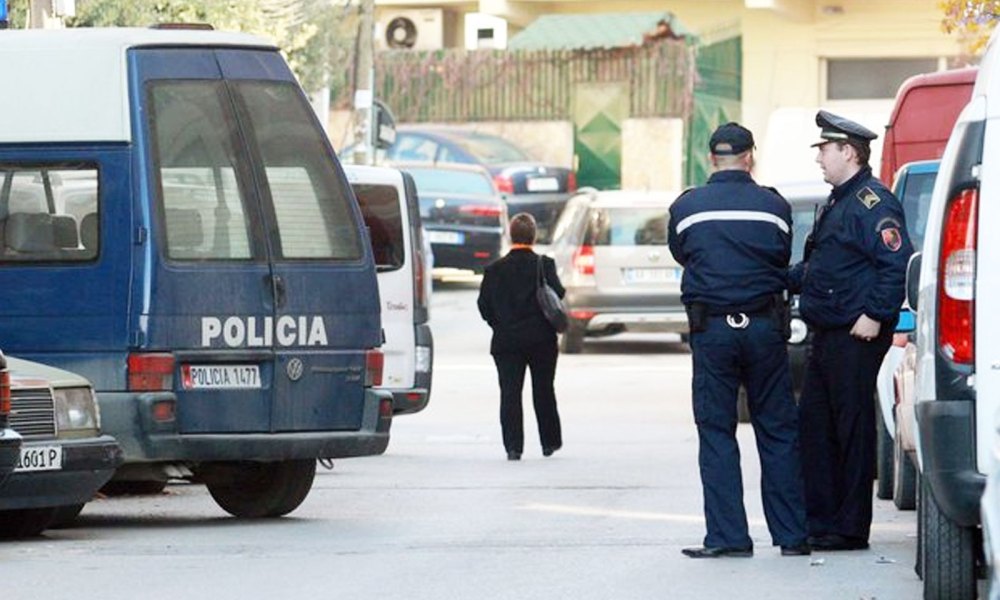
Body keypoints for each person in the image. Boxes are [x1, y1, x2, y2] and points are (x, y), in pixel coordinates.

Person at [668, 122, 809, 558]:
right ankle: (791, 536)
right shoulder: (773, 205)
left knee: (716, 431)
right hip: (765, 329)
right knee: (778, 430)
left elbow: (682, 252)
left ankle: (729, 537)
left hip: (712, 331)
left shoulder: (687, 207)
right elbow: (782, 254)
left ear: (712, 158)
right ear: (750, 156)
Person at [789, 111, 913, 551]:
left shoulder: (873, 203)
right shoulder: (840, 201)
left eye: (825, 149)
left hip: (854, 335)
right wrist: (781, 277)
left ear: (848, 152)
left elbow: (896, 262)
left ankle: (848, 528)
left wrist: (876, 314)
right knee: (817, 429)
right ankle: (821, 522)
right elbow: (826, 265)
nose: (820, 158)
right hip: (827, 332)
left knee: (851, 431)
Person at [477, 213, 564, 461]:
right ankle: (549, 442)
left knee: (510, 393)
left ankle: (513, 447)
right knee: (544, 389)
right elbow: (558, 294)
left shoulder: (494, 270)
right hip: (542, 341)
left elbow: (484, 305)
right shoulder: (544, 265)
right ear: (534, 236)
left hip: (507, 341)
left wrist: (499, 325)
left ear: (511, 235)